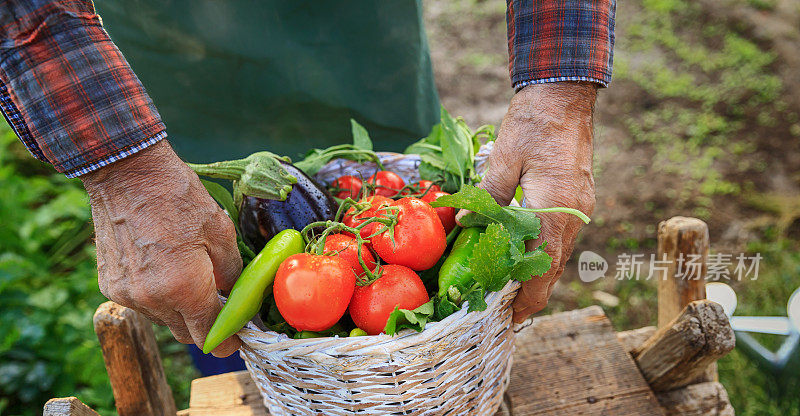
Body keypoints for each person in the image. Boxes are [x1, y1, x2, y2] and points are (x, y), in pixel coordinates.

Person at [0, 1, 614, 359]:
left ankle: (440, 401)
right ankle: (285, 408)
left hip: (360, 41)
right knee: (203, 270)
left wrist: (556, 98)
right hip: (165, 60)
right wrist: (123, 170)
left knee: (411, 181)